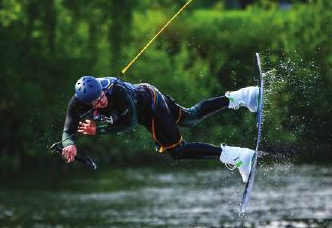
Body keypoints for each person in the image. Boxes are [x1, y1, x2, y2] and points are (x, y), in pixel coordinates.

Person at [61, 76, 259, 182]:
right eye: (96, 101)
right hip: (151, 94)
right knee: (190, 118)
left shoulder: (117, 92)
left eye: (102, 95)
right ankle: (242, 96)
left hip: (151, 106)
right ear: (87, 103)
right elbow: (68, 127)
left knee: (178, 150)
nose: (101, 100)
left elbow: (128, 122)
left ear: (102, 88)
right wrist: (69, 144)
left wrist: (98, 130)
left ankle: (238, 156)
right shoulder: (78, 103)